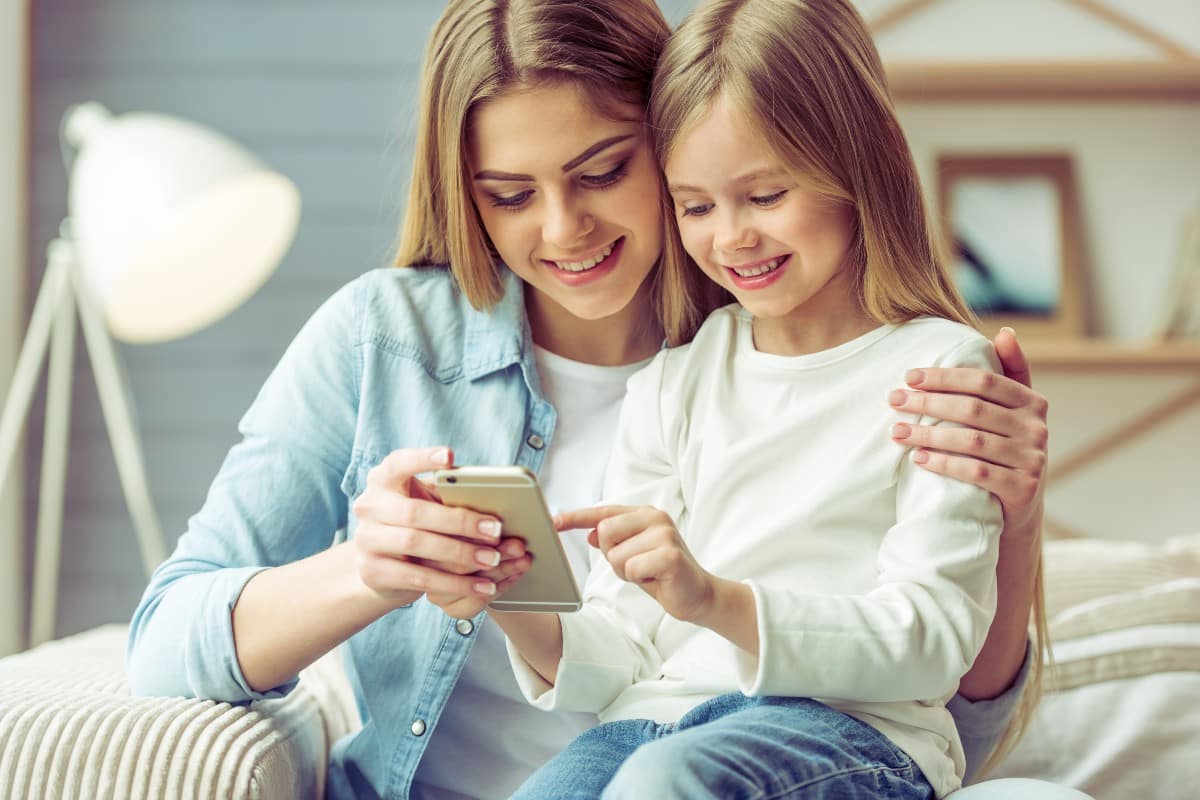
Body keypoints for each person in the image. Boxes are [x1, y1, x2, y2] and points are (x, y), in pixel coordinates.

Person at [124, 2, 1049, 799]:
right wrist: (379, 570)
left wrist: (1016, 520)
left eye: (604, 171)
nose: (564, 230)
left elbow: (936, 726)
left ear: (675, 129)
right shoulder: (392, 342)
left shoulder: (794, 330)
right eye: (509, 194)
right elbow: (166, 644)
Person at [477, 1, 1049, 798]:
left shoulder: (941, 370)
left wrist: (716, 601)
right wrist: (507, 596)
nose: (731, 237)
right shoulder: (675, 383)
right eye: (697, 205)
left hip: (851, 734)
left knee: (661, 782)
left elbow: (932, 638)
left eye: (766, 194)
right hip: (655, 722)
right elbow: (624, 657)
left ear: (855, 165)